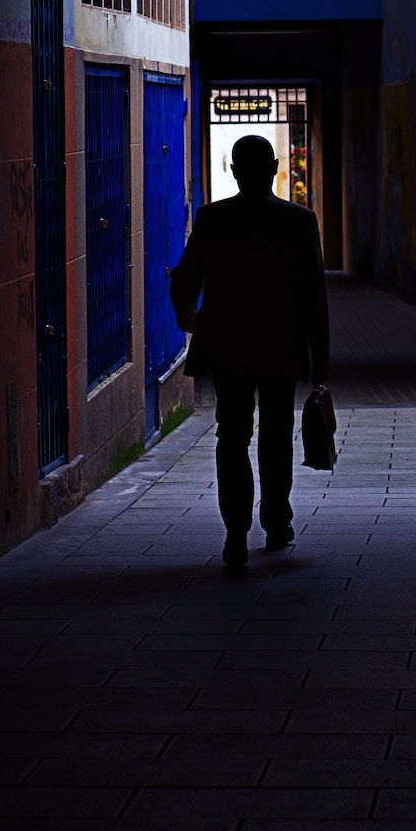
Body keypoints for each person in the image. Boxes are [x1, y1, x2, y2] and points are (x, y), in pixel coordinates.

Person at [170, 134, 330, 569]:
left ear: (235, 171)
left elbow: (185, 280)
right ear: (276, 166)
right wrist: (321, 361)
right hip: (281, 346)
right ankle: (277, 524)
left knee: (232, 434)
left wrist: (190, 320)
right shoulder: (299, 220)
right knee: (277, 433)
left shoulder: (212, 218)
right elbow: (315, 294)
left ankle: (235, 534)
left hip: (228, 346)